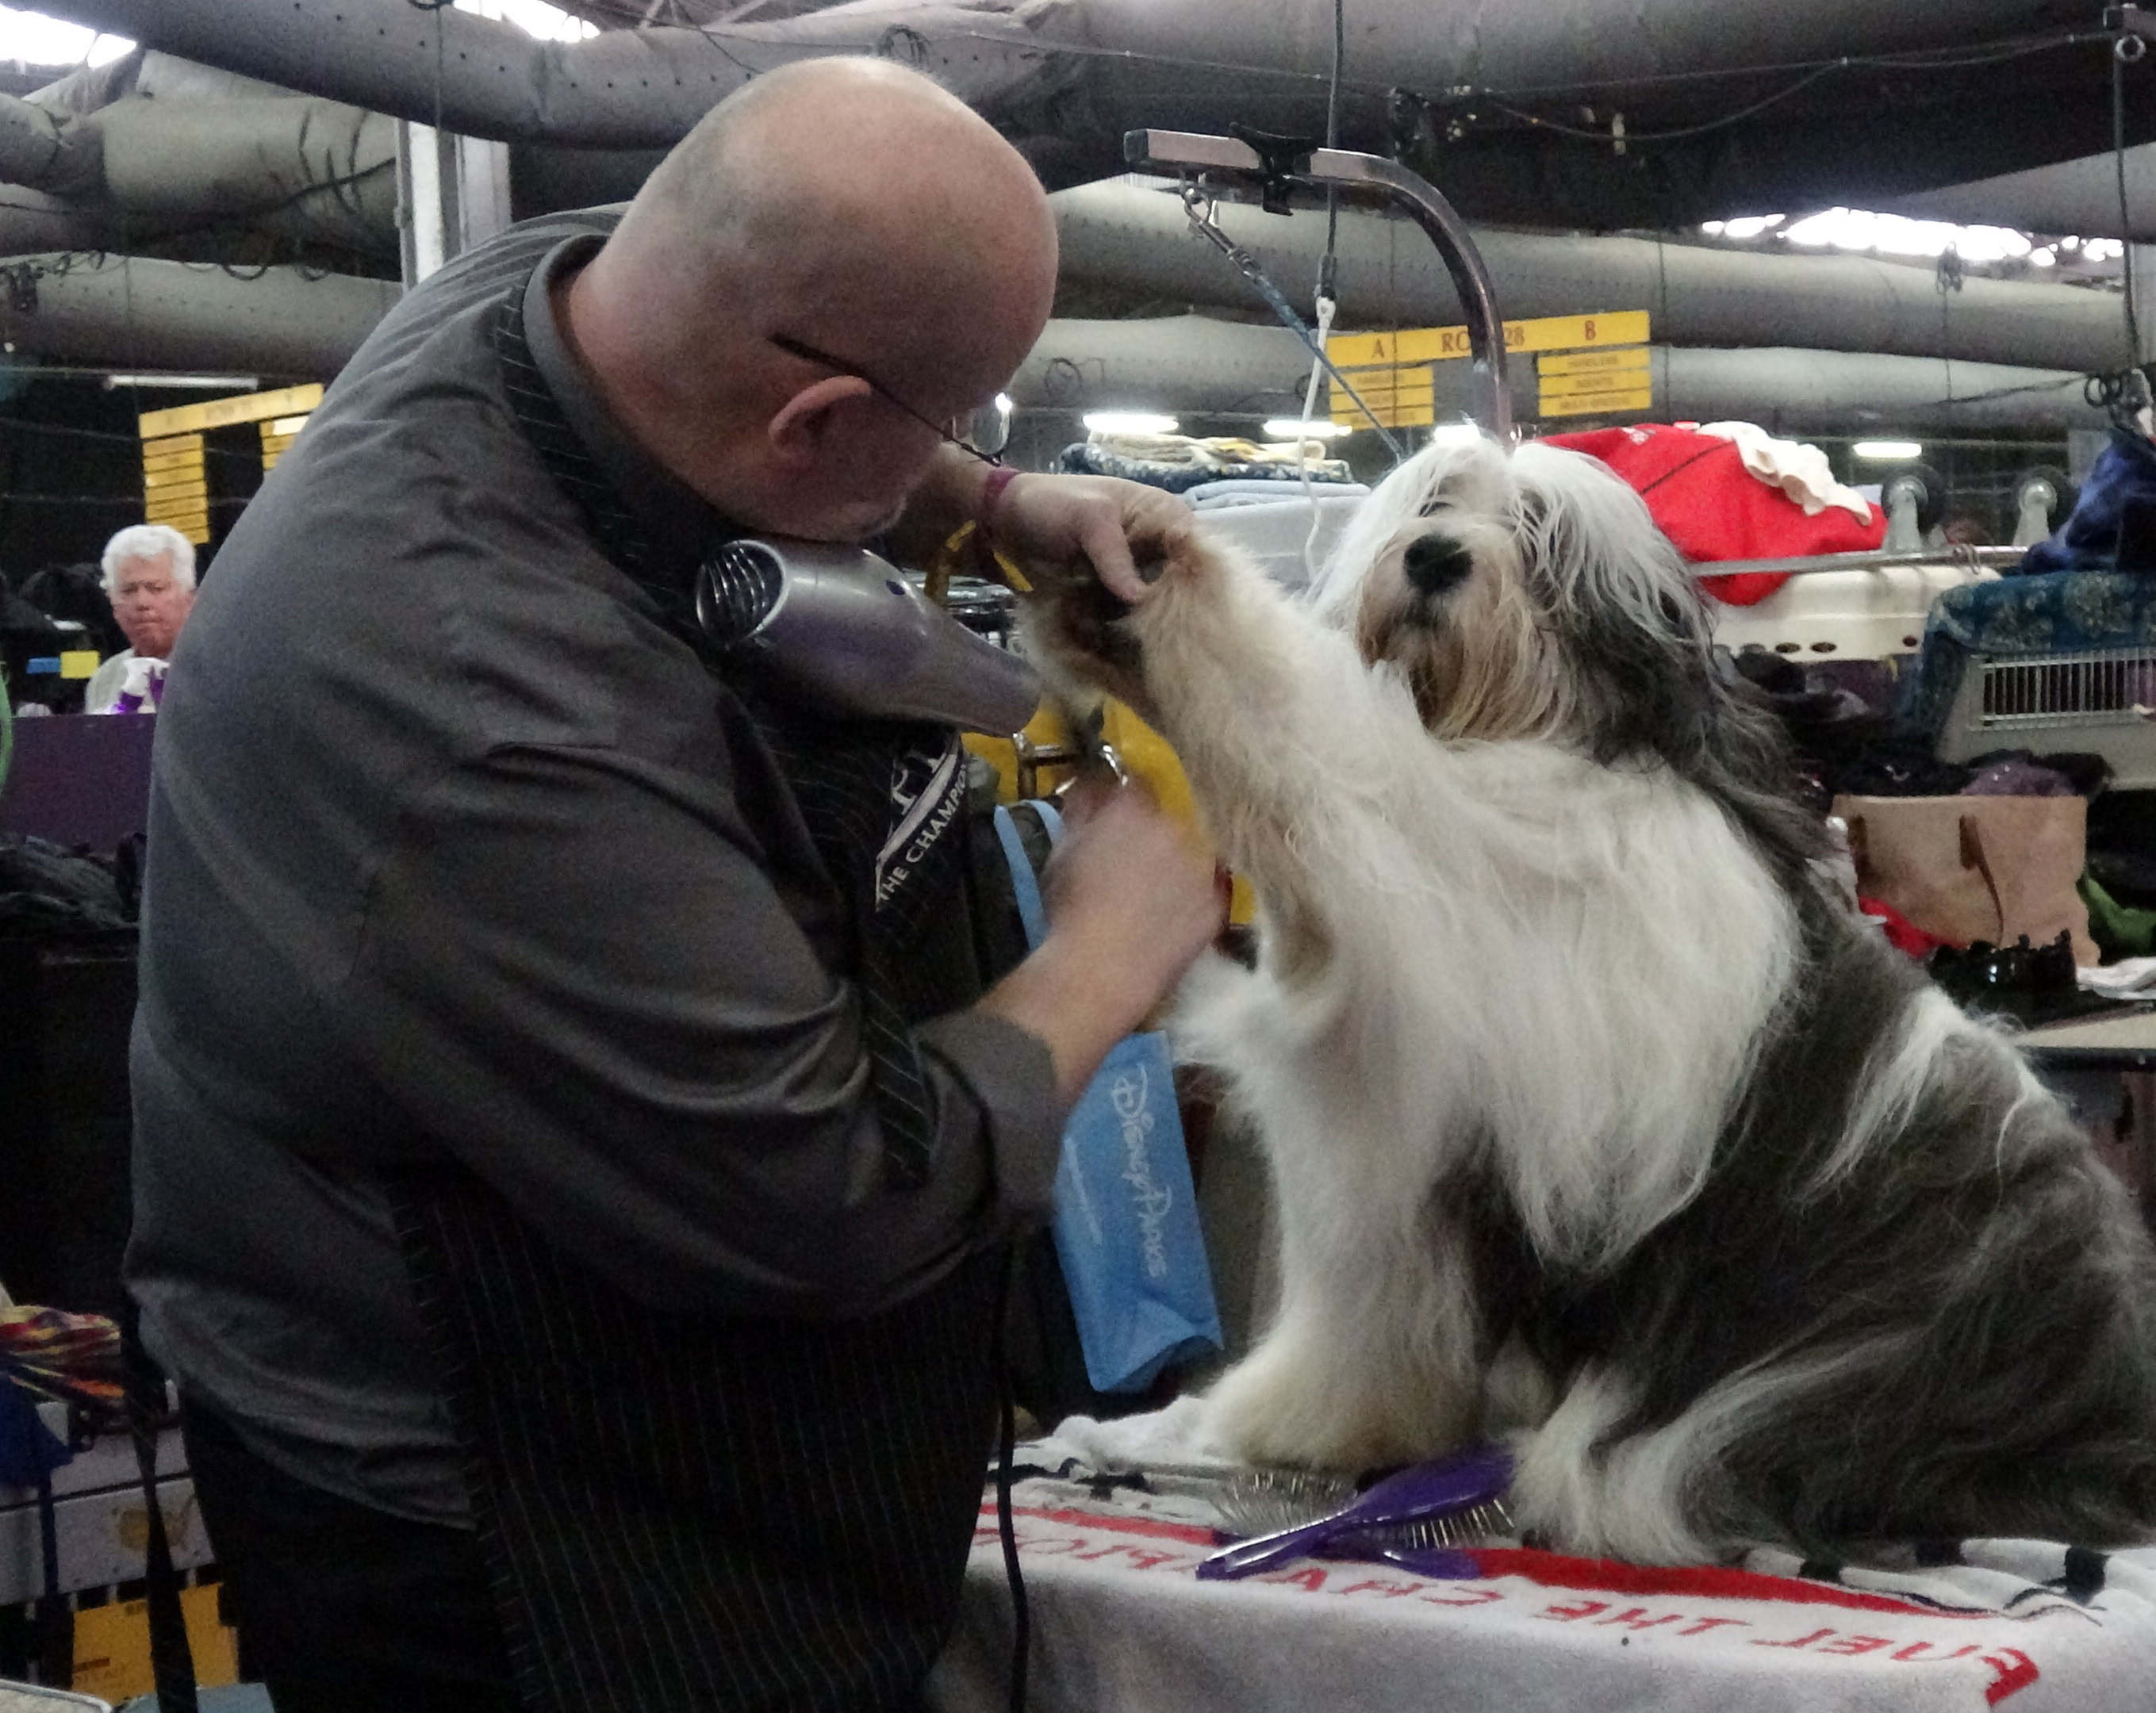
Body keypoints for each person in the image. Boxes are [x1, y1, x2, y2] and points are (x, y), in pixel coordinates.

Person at [126, 56, 1223, 1713]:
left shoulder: (572, 293)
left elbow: (773, 355)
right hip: (500, 1518)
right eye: (953, 419)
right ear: (816, 420)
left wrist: (990, 497)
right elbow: (833, 1189)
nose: (955, 454)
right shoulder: (488, 718)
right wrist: (1107, 955)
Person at [82, 523, 195, 713]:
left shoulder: (218, 670)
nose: (142, 602)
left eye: (156, 589)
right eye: (128, 590)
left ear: (190, 598)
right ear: (113, 604)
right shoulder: (106, 679)